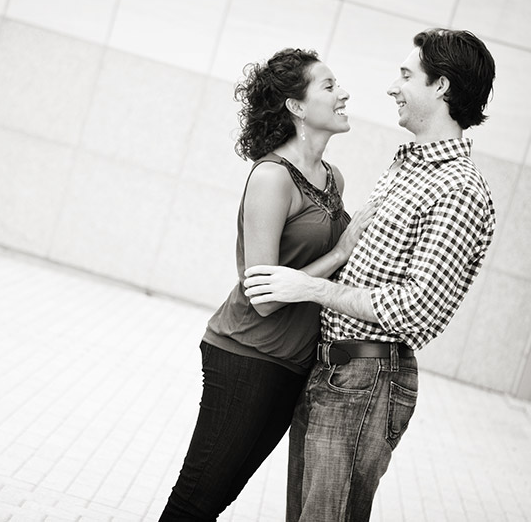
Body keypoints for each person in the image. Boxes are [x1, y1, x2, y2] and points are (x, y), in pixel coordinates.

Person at [243, 28, 497, 521]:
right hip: (336, 372)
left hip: (367, 379)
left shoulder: (460, 188)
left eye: (407, 75)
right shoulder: (410, 167)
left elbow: (414, 309)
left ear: (441, 86)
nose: (392, 87)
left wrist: (312, 287)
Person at [159, 48, 375, 521]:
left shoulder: (332, 179)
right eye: (329, 86)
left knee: (218, 497)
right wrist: (341, 252)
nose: (344, 94)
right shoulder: (273, 177)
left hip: (292, 366)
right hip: (245, 355)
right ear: (297, 107)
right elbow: (262, 296)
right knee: (197, 497)